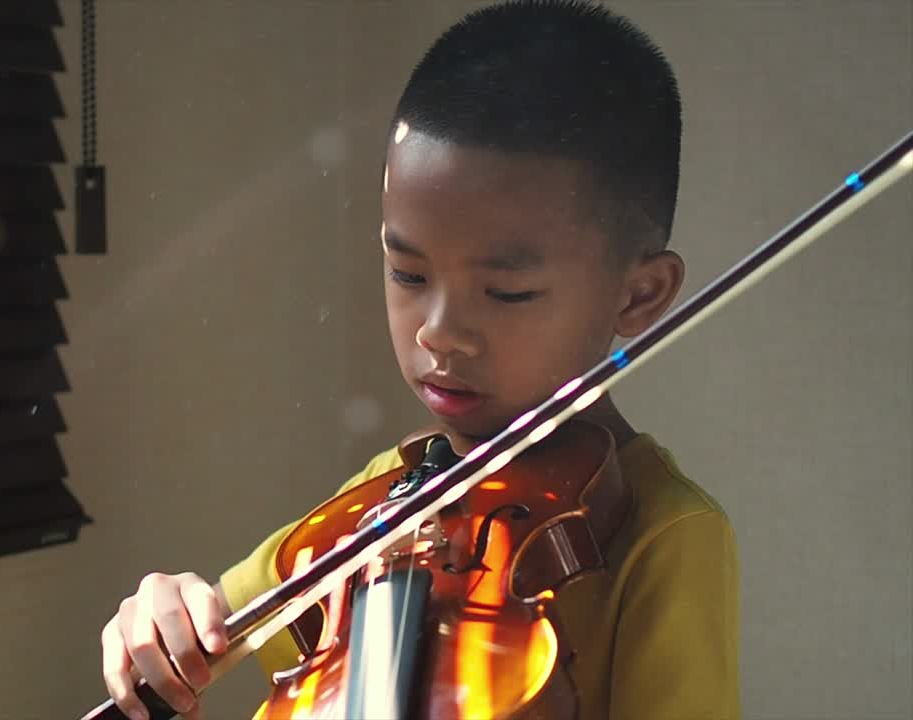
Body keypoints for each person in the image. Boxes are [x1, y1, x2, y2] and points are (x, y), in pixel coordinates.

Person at [100, 1, 739, 718]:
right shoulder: (392, 495)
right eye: (408, 275)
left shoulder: (665, 535)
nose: (438, 333)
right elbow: (216, 620)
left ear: (639, 295)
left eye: (507, 291)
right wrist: (160, 618)